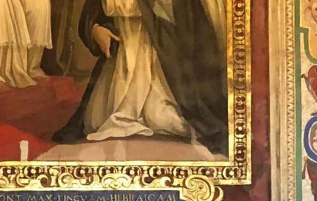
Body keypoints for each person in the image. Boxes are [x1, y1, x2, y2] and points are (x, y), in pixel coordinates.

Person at [51, 0, 228, 155]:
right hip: (122, 55)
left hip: (160, 55)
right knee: (104, 117)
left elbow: (185, 18)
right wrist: (96, 29)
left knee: (162, 116)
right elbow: (91, 14)